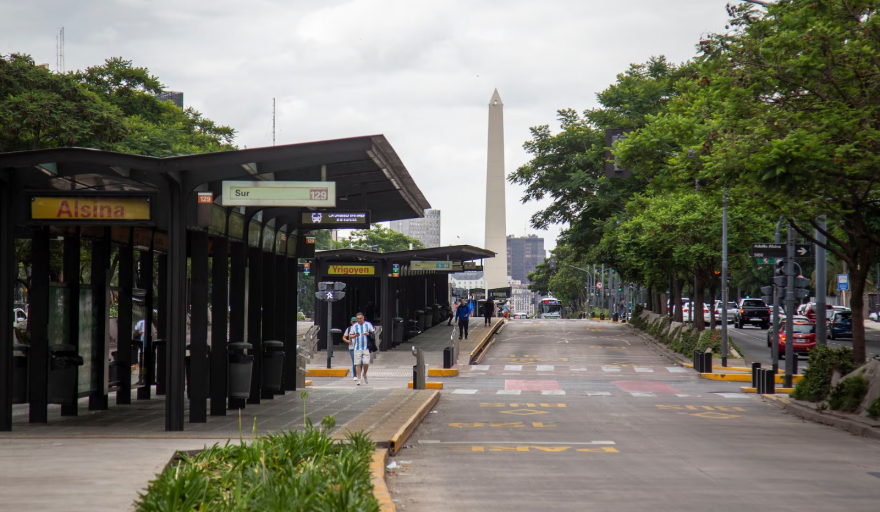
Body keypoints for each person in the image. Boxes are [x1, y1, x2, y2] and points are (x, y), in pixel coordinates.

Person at [346, 312, 375, 385]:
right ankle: (359, 379)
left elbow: (373, 333)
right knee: (357, 364)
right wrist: (355, 335)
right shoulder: (354, 326)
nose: (359, 320)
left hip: (366, 347)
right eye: (358, 319)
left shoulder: (368, 324)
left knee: (366, 362)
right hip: (357, 348)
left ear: (363, 318)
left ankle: (364, 373)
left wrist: (368, 334)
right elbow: (351, 335)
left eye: (360, 318)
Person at [342, 316, 358, 381]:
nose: (354, 323)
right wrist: (347, 341)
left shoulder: (359, 328)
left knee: (361, 362)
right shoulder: (349, 329)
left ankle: (359, 373)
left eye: (355, 321)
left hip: (359, 347)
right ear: (351, 322)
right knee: (354, 361)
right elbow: (344, 337)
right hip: (352, 347)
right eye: (353, 322)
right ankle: (355, 375)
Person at [133, 318, 146, 385]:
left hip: (143, 348)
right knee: (142, 364)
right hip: (141, 348)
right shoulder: (141, 323)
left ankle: (142, 378)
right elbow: (136, 332)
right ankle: (142, 378)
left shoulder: (141, 322)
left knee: (143, 364)